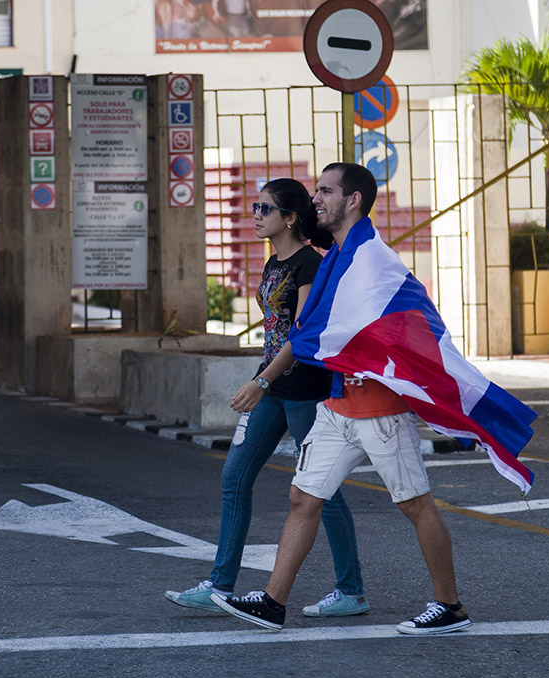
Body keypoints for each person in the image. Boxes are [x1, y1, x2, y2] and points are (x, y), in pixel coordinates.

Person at [211, 163, 496, 635]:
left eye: (325, 191)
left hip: (379, 409)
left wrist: (266, 379)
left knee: (414, 504)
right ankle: (273, 603)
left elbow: (400, 322)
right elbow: (314, 330)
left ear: (353, 201)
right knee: (303, 496)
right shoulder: (341, 253)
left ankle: (450, 607)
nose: (315, 199)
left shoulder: (371, 259)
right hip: (339, 404)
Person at [164, 177, 369, 619]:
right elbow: (273, 332)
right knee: (234, 479)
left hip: (303, 390)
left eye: (264, 210)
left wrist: (261, 381)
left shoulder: (309, 266)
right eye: (254, 208)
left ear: (290, 217)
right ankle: (220, 585)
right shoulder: (273, 264)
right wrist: (263, 380)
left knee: (320, 492)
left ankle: (351, 590)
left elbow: (302, 333)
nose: (255, 216)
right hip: (273, 386)